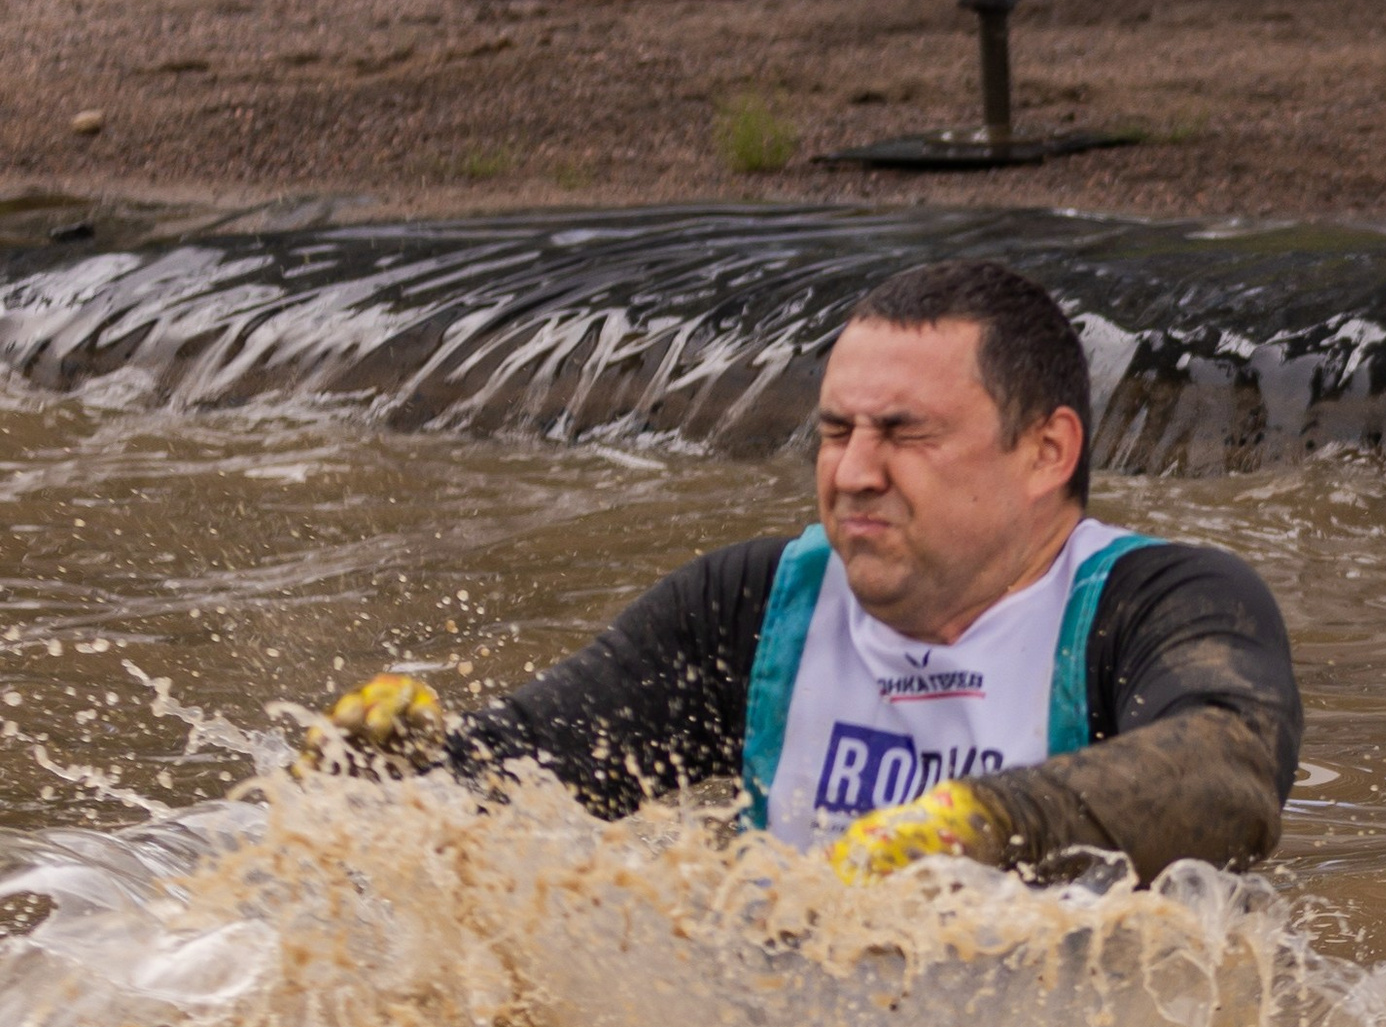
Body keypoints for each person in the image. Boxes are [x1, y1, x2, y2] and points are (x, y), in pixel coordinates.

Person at [322, 259, 1301, 884]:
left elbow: (1227, 775)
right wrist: (401, 772)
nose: (853, 472)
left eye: (903, 435)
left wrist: (984, 818)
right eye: (836, 431)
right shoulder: (749, 608)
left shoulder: (1165, 602)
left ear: (1046, 452)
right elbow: (536, 776)